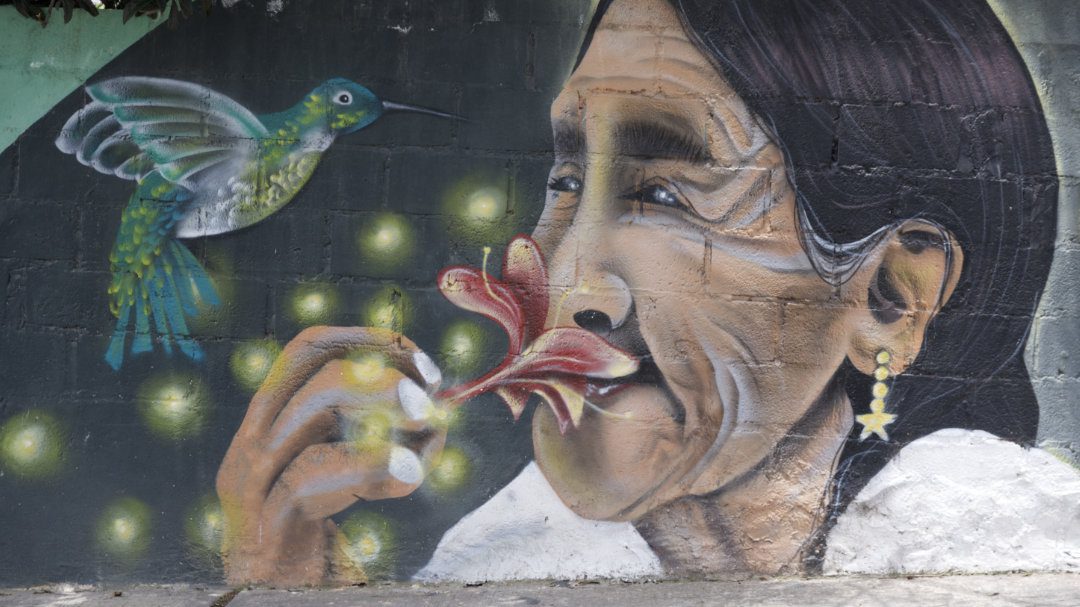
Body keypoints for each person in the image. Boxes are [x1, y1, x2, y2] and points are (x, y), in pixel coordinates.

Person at [216, 0, 1080, 585]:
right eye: (563, 179)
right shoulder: (490, 567)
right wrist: (289, 585)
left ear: (891, 296)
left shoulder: (1038, 554)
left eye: (666, 194)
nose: (569, 285)